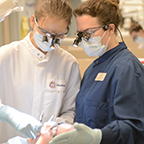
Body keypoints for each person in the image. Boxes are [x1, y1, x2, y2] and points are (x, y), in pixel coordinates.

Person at [49, 0, 144, 144]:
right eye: (81, 34)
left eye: (89, 33)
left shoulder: (127, 68)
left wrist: (97, 137)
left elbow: (135, 128)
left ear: (111, 29)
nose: (84, 40)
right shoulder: (92, 69)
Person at [0, 0, 81, 142]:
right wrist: (8, 114)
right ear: (33, 21)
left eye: (58, 35)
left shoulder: (69, 64)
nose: (50, 40)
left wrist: (56, 127)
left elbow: (70, 110)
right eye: (45, 32)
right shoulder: (5, 56)